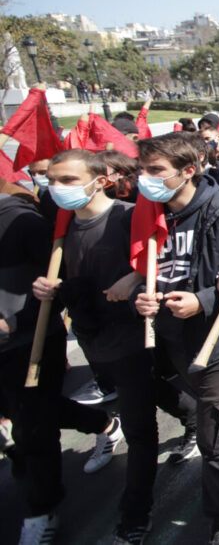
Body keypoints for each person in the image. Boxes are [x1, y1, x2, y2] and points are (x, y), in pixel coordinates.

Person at [133, 132, 219, 545]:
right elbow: (147, 266)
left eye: (155, 171)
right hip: (172, 339)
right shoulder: (147, 212)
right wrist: (142, 295)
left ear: (187, 171)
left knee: (214, 440)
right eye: (142, 170)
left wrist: (204, 299)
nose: (145, 179)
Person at [32, 149, 156, 544]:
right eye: (52, 180)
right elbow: (61, 276)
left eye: (68, 180)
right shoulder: (58, 224)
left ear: (101, 179)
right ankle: (192, 418)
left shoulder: (128, 216)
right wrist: (48, 288)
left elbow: (157, 262)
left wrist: (136, 279)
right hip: (93, 340)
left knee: (140, 429)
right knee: (166, 395)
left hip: (134, 339)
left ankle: (135, 514)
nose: (57, 189)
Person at [1, 184, 116, 545]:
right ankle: (103, 423)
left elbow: (60, 278)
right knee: (28, 411)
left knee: (33, 426)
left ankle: (42, 509)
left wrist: (15, 319)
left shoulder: (22, 222)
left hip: (26, 341)